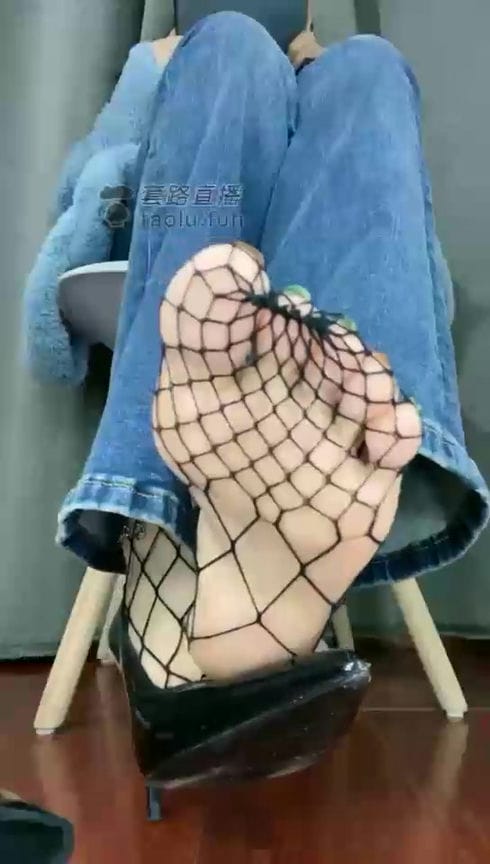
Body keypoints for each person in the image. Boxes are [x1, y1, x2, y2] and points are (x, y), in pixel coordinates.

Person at [54, 13, 487, 787]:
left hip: (284, 301)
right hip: (189, 259)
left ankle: (226, 533)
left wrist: (306, 87)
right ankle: (243, 532)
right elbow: (87, 191)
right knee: (231, 47)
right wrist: (158, 73)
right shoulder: (163, 65)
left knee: (367, 70)